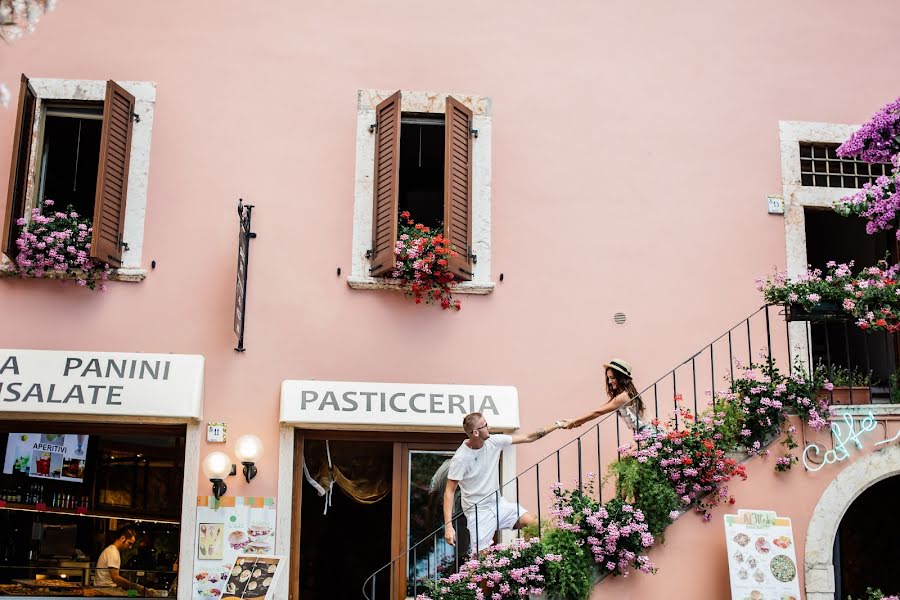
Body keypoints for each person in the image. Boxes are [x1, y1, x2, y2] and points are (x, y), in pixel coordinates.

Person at [443, 412, 571, 554]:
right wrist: (448, 527)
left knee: (533, 524)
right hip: (478, 513)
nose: (489, 427)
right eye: (485, 425)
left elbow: (528, 437)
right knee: (481, 563)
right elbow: (449, 491)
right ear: (475, 432)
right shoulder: (461, 459)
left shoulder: (493, 441)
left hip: (498, 505)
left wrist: (557, 425)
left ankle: (525, 562)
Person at [565, 358, 651, 434]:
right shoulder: (627, 394)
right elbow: (599, 409)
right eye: (608, 378)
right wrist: (578, 421)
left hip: (649, 435)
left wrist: (574, 422)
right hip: (645, 435)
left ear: (621, 378)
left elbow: (597, 413)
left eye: (612, 377)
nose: (609, 382)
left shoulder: (623, 397)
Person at [94, 526, 147, 595]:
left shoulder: (113, 550)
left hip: (109, 589)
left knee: (136, 594)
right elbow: (115, 578)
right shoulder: (112, 552)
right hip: (106, 590)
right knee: (136, 595)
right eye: (129, 543)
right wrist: (136, 586)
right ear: (122, 538)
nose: (130, 547)